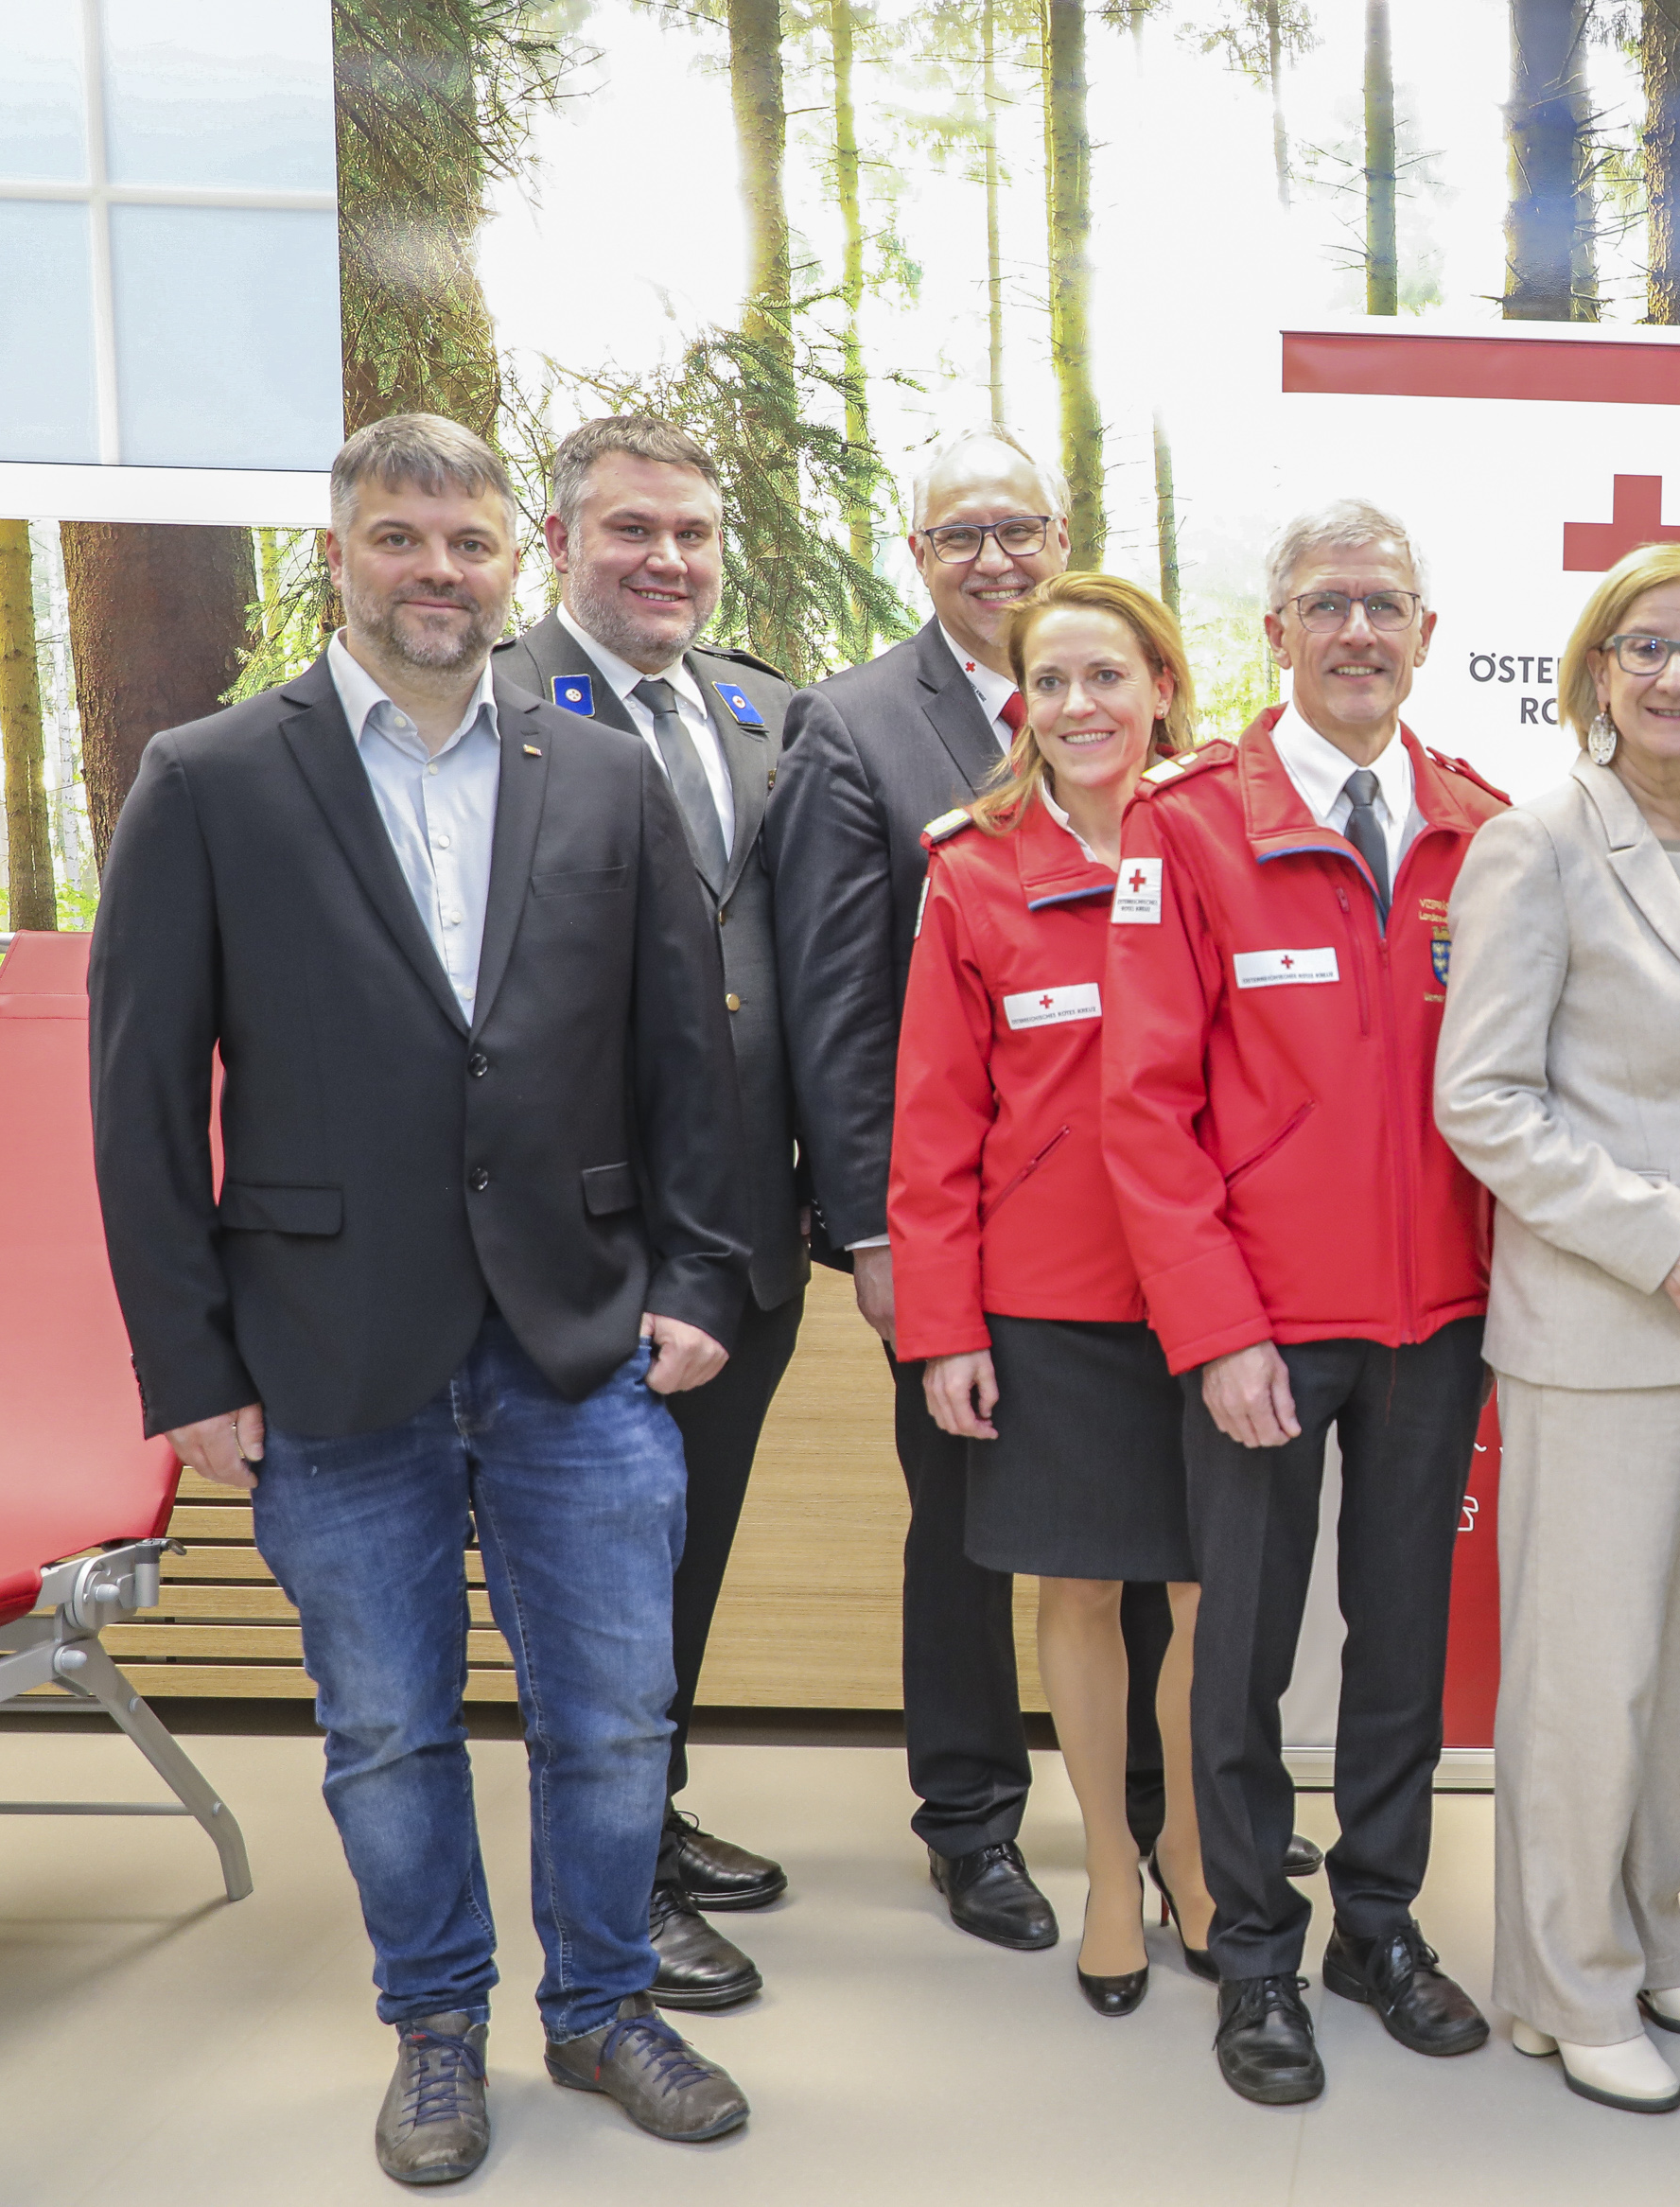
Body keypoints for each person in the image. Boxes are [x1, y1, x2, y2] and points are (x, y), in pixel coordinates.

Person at [88, 413, 754, 2182]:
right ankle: (438, 2026)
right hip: (325, 1347)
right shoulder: (213, 775)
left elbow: (689, 1060)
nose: (436, 573)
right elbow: (143, 1097)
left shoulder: (604, 779)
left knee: (614, 1711)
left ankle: (604, 2003)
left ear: (510, 563)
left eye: (466, 544)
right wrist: (185, 1364)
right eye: (399, 540)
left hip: (580, 1337)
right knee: (388, 1726)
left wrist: (699, 1278)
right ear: (340, 551)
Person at [1103, 499, 1512, 2107]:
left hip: (1441, 1319)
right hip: (1264, 1329)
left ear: (1425, 631)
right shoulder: (1189, 824)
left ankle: (1381, 1923)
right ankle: (1256, 1947)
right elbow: (1143, 1109)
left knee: (1405, 1639)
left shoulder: (1484, 826)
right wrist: (1215, 1329)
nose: (1358, 631)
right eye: (1327, 603)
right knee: (1247, 1652)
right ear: (1276, 632)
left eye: (1386, 605)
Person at [761, 426, 1180, 1952]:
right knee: (966, 1523)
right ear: (917, 551)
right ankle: (972, 1819)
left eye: (1020, 526)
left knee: (1141, 1535)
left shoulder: (1159, 749)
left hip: (1143, 1246)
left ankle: (1153, 1807)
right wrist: (878, 1233)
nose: (995, 556)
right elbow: (842, 1006)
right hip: (955, 1230)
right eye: (962, 534)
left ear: (1062, 534)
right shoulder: (857, 725)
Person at [1435, 545, 1680, 2115]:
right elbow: (1483, 1098)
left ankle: (1648, 1924)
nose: (1679, 675)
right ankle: (1563, 1977)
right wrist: (1659, 1235)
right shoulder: (1537, 844)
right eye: (1648, 647)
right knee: (1585, 1676)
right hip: (1610, 1310)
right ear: (1596, 670)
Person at [492, 414, 805, 2014]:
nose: (665, 559)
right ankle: (609, 1896)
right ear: (559, 544)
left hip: (744, 1226)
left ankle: (650, 1824)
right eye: (629, 531)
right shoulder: (491, 713)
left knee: (685, 1562)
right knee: (597, 1584)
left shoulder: (761, 708)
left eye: (689, 532)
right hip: (580, 1242)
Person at [889, 570, 1217, 2019]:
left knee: (1214, 1592)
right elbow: (933, 1117)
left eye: (1111, 676)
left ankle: (1199, 1857)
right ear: (1022, 701)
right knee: (1079, 1586)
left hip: (1215, 1292)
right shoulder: (973, 868)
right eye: (1054, 682)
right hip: (1055, 1300)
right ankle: (1106, 1871)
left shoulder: (1220, 837)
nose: (1081, 706)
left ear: (1162, 683)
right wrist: (947, 1325)